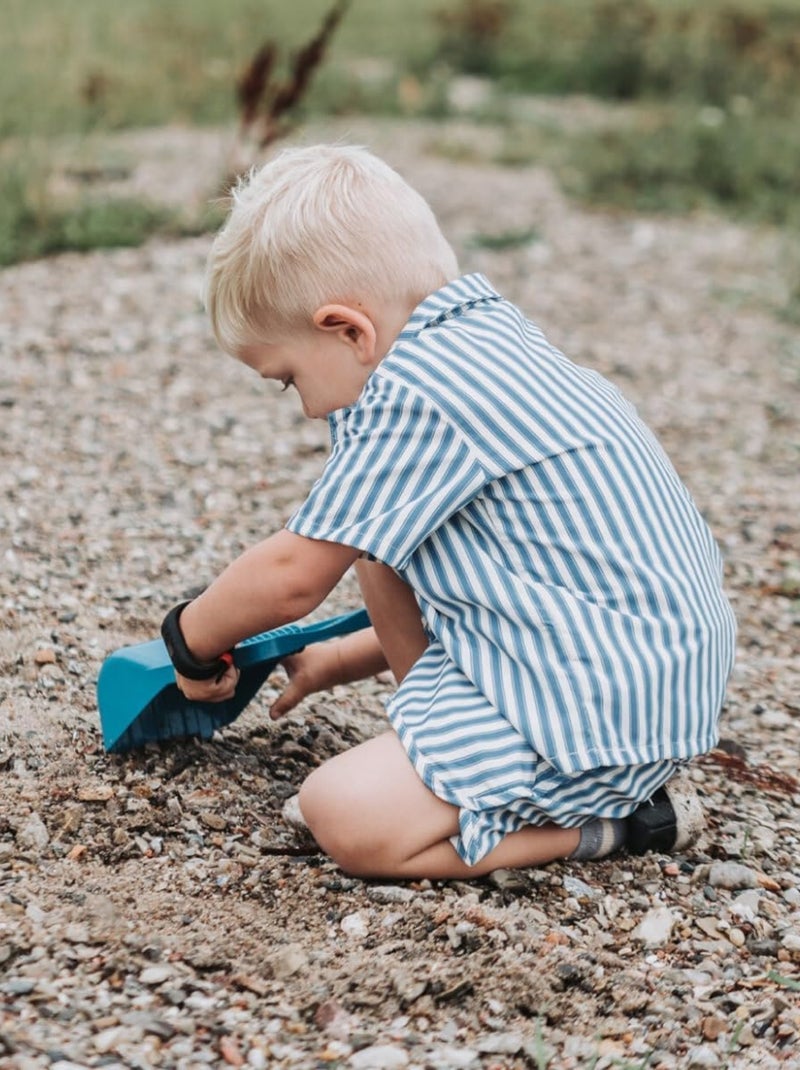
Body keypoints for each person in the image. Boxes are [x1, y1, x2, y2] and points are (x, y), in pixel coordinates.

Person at [160, 144, 736, 881]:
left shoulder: (420, 392)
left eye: (289, 380)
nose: (305, 409)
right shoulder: (489, 345)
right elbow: (507, 595)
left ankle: (619, 825)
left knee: (344, 814)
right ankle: (461, 766)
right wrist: (338, 658)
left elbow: (293, 576)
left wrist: (190, 637)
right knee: (376, 544)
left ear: (348, 331)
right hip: (636, 671)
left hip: (598, 709)